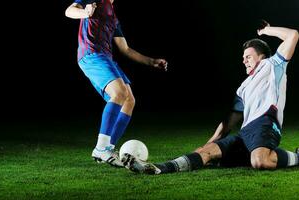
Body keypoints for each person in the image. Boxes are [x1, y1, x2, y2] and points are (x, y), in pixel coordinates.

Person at [121, 21, 299, 174]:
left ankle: (296, 156)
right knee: (207, 154)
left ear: (262, 56)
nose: (244, 60)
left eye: (248, 56)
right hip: (245, 133)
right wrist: (207, 145)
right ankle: (158, 168)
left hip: (265, 124)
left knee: (260, 161)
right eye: (243, 57)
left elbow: (293, 35)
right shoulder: (243, 88)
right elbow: (228, 124)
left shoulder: (273, 65)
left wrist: (265, 31)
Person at [65, 0, 168, 167]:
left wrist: (151, 61)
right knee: (119, 93)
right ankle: (101, 148)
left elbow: (125, 49)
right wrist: (86, 12)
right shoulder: (95, 1)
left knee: (129, 101)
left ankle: (108, 149)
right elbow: (69, 11)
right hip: (92, 55)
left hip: (106, 58)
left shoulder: (113, 16)